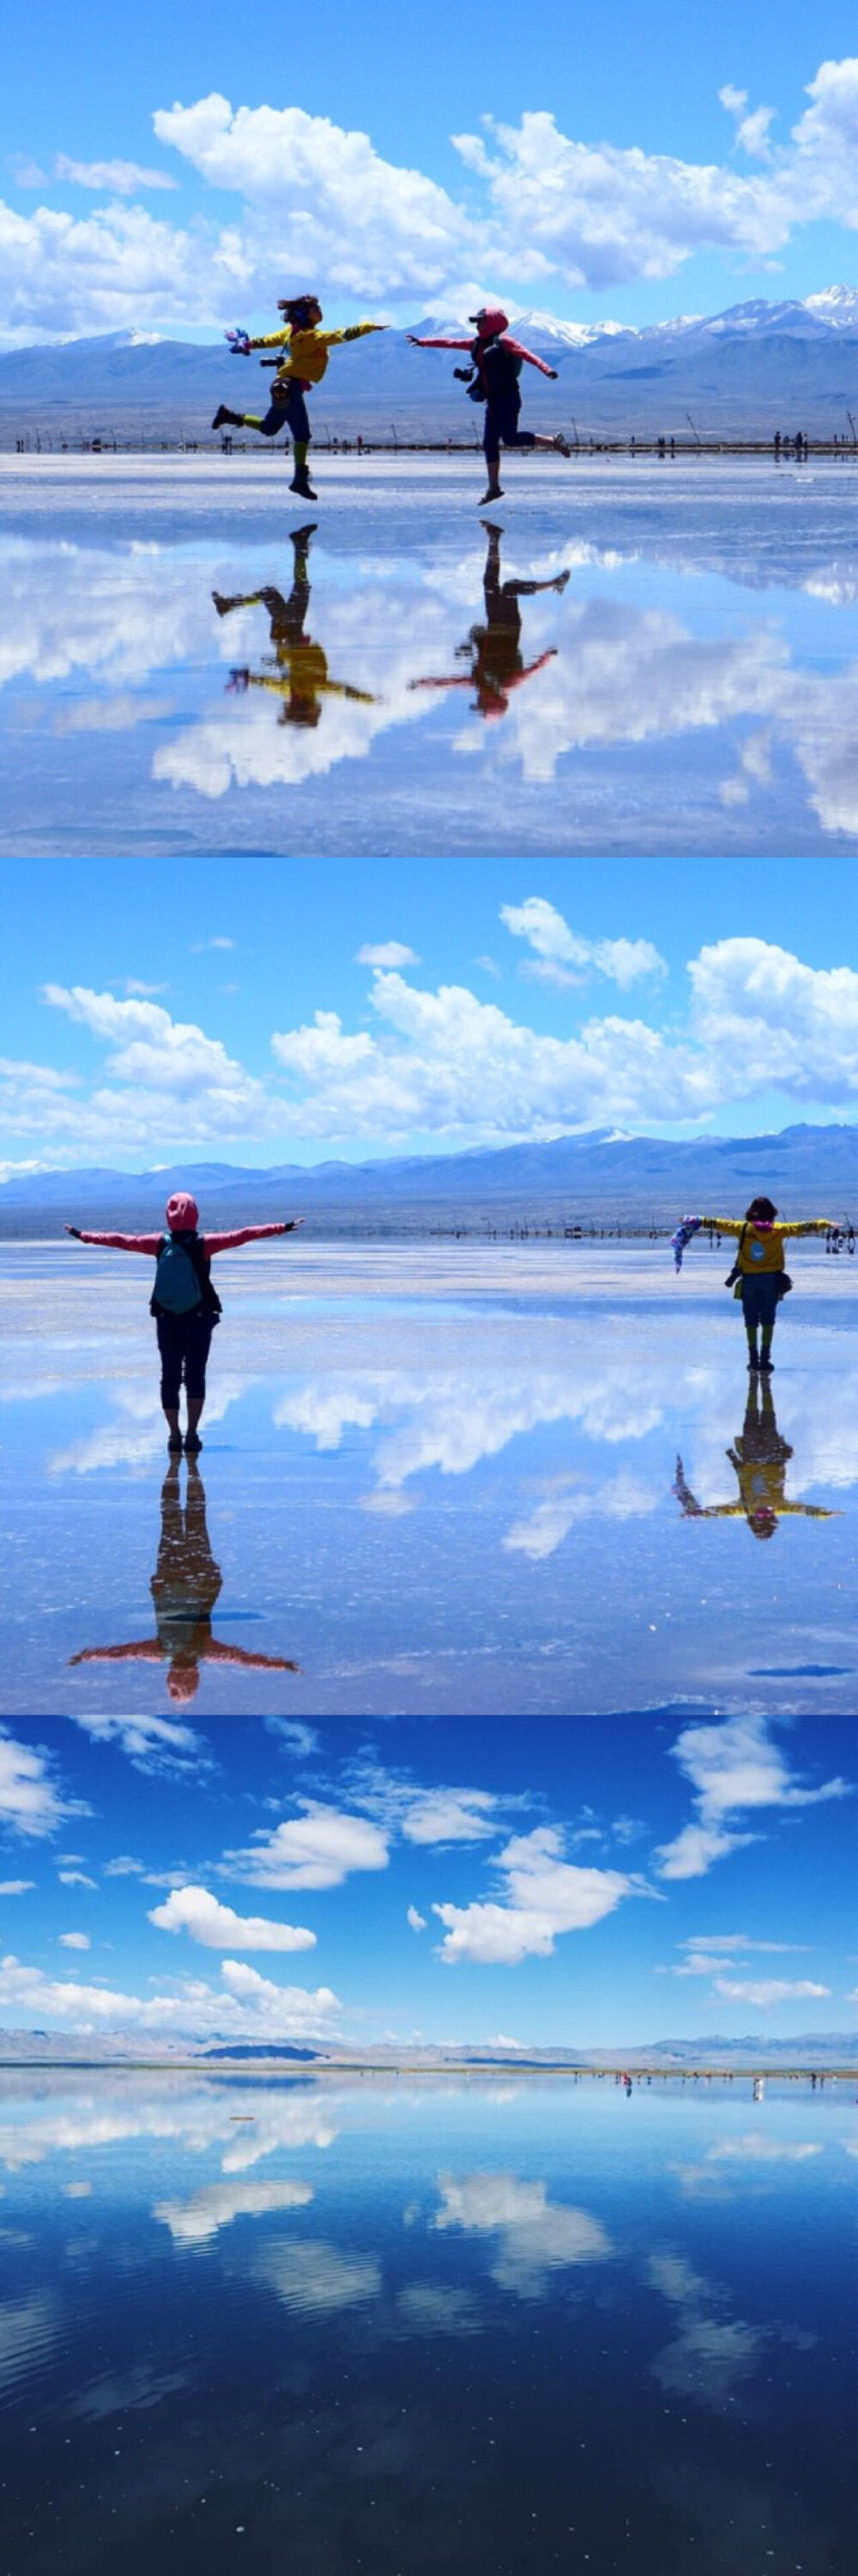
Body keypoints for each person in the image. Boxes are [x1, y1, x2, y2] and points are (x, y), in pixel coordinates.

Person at [64, 1191, 303, 1451]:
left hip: (167, 1319)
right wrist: (283, 1227)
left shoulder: (158, 1243)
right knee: (195, 1376)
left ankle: (173, 1435)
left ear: (168, 1215)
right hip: (199, 1318)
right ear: (195, 1215)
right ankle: (191, 1434)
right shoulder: (204, 1243)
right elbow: (243, 1235)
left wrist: (82, 1235)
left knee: (169, 1377)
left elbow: (120, 1240)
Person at [69, 1458, 299, 1702]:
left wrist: (281, 1665)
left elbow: (122, 1653)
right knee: (173, 1517)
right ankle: (185, 1468)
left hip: (194, 1577)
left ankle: (185, 1468)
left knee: (193, 1518)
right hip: (176, 1576)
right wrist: (87, 1656)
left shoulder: (193, 1650)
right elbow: (123, 1653)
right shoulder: (165, 1651)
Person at [212, 296, 386, 499]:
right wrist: (368, 327)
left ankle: (229, 416)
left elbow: (267, 341)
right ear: (304, 313)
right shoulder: (311, 336)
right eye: (315, 308)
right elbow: (343, 335)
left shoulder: (291, 332)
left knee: (269, 428)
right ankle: (299, 481)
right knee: (302, 436)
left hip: (283, 385)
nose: (320, 311)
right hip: (290, 387)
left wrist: (248, 345)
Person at [213, 523, 375, 729]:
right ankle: (229, 604)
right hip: (287, 636)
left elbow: (343, 691)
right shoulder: (297, 690)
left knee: (293, 589)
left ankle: (298, 545)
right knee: (273, 593)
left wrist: (369, 700)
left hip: (288, 635)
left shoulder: (304, 689)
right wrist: (250, 678)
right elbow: (344, 691)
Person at [408, 305, 571, 503]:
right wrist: (423, 342)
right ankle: (494, 488)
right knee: (489, 443)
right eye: (476, 322)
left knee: (510, 439)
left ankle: (554, 440)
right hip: (493, 400)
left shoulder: (505, 342)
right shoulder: (477, 344)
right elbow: (451, 342)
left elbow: (528, 355)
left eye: (481, 321)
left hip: (509, 398)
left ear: (492, 322)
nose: (478, 325)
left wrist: (547, 370)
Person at [408, 520, 570, 719]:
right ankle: (555, 584)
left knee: (490, 582)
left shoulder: (479, 682)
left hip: (494, 625)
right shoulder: (509, 682)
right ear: (493, 699)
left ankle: (494, 537)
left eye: (479, 703)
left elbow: (449, 682)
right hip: (509, 626)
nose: (478, 699)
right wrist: (548, 656)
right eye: (482, 703)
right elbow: (531, 670)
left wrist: (422, 683)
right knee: (510, 588)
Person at [673, 1195, 836, 1371]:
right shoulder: (779, 1229)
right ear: (771, 1213)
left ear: (751, 1212)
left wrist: (692, 1220)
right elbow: (803, 1227)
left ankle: (753, 1360)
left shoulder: (743, 1228)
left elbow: (717, 1223)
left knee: (750, 1320)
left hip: (749, 1281)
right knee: (768, 1320)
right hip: (772, 1281)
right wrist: (825, 1223)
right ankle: (765, 1360)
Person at [673, 1376, 836, 1541]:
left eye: (760, 1520)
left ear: (752, 1521)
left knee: (756, 1417)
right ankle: (761, 1382)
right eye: (766, 1520)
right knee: (767, 1418)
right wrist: (823, 1514)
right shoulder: (778, 1507)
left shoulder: (745, 1508)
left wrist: (699, 1513)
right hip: (771, 1456)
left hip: (753, 1456)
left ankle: (757, 1382)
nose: (763, 1517)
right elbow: (803, 1510)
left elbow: (721, 1512)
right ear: (773, 1519)